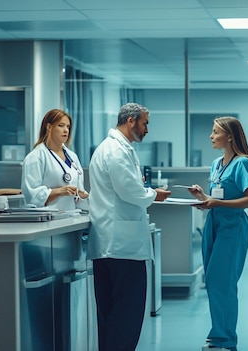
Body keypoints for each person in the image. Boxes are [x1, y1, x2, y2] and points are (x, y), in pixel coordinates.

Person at [87, 103, 171, 351]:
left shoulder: (119, 148)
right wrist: (153, 193)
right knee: (126, 316)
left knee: (113, 316)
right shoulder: (115, 150)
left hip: (115, 245)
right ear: (131, 120)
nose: (147, 130)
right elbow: (129, 190)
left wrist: (147, 192)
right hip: (121, 247)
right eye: (145, 123)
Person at [187, 116, 248, 351]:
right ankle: (218, 334)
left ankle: (226, 339)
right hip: (213, 225)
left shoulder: (242, 163)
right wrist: (203, 198)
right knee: (213, 281)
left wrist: (215, 204)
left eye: (215, 132)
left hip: (232, 227)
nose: (211, 136)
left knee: (223, 282)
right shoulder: (217, 163)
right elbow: (216, 197)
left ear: (229, 135)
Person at [21, 109, 89, 211]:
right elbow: (32, 196)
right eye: (61, 125)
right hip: (48, 220)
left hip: (72, 217)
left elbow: (78, 192)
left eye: (68, 127)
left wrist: (82, 195)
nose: (66, 130)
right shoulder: (35, 157)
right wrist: (59, 191)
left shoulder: (72, 157)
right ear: (49, 127)